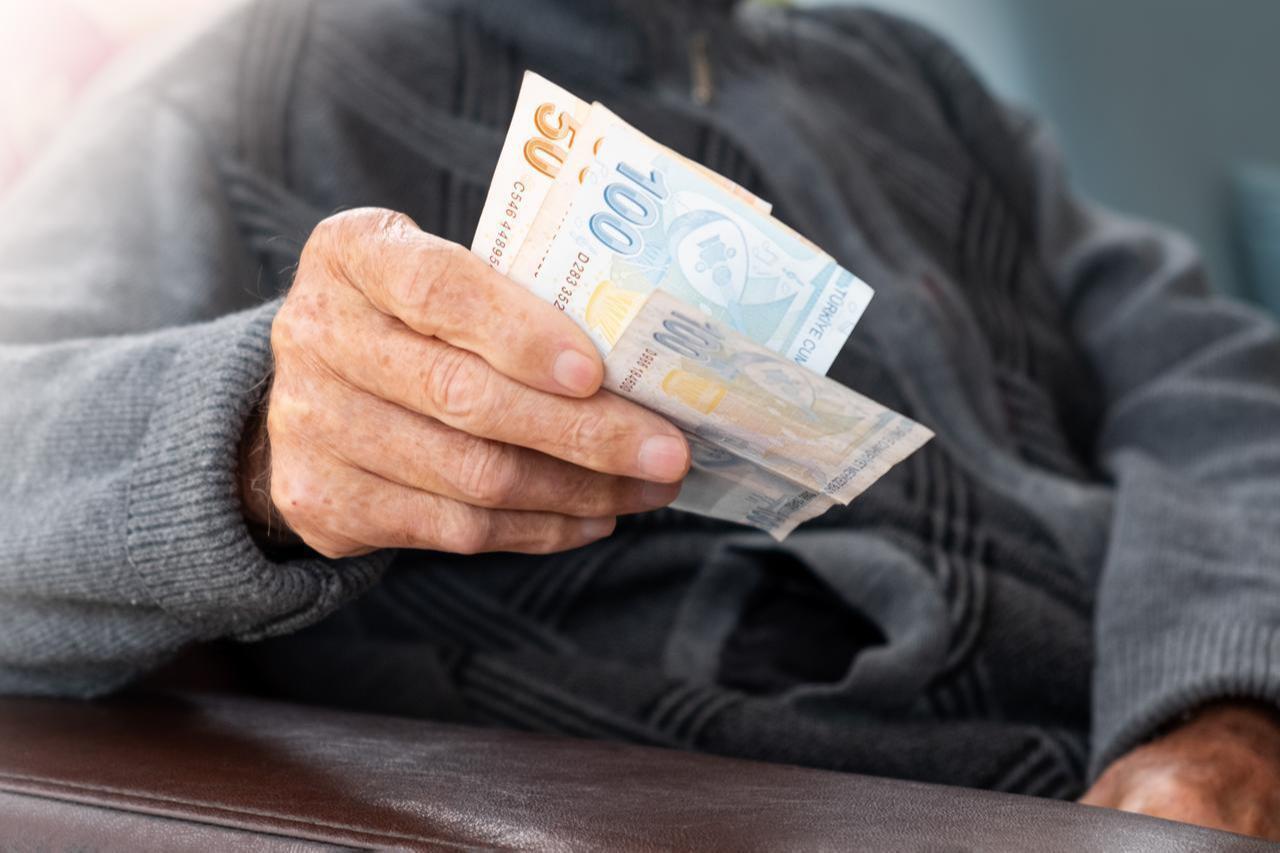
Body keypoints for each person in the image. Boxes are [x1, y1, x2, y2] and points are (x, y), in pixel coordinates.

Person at [2, 0, 1278, 839]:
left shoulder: (903, 72)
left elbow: (1213, 381)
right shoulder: (243, 80)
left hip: (1157, 747)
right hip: (798, 794)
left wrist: (1220, 709)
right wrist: (259, 440)